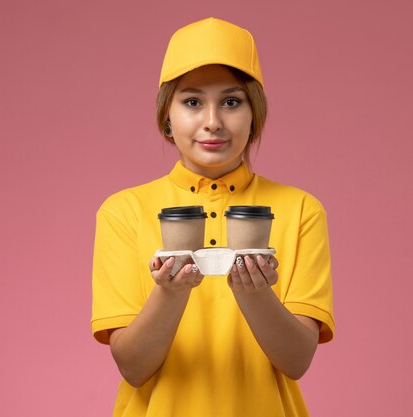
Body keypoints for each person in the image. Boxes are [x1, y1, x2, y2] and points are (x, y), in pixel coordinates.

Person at [91, 17, 335, 417]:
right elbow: (133, 368)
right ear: (166, 116)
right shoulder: (124, 212)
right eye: (191, 102)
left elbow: (296, 361)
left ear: (254, 114)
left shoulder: (301, 209)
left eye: (231, 101)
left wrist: (256, 292)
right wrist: (171, 290)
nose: (212, 121)